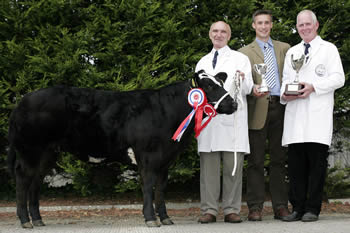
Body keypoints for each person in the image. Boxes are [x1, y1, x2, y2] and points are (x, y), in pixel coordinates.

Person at [280, 10, 345, 222]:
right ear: (297, 27)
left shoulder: (328, 49)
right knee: (296, 167)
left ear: (316, 25)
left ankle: (312, 209)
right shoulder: (293, 52)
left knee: (316, 166)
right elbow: (287, 79)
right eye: (300, 25)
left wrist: (313, 87)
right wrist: (285, 95)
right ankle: (297, 207)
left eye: (308, 24)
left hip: (317, 117)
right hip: (295, 116)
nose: (304, 28)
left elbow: (338, 78)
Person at [195, 21, 253, 223]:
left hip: (232, 122)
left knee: (232, 167)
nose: (219, 35)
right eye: (215, 31)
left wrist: (243, 79)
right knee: (208, 170)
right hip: (208, 123)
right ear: (210, 34)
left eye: (223, 32)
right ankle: (209, 210)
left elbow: (248, 89)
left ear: (229, 36)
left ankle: (231, 209)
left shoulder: (241, 59)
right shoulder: (201, 62)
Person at [238, 9, 290, 221]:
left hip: (281, 107)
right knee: (256, 161)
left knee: (279, 160)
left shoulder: (285, 49)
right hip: (257, 108)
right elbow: (243, 84)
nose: (263, 26)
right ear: (253, 26)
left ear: (271, 25)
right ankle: (255, 207)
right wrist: (252, 89)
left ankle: (280, 206)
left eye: (267, 22)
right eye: (259, 23)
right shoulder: (243, 52)